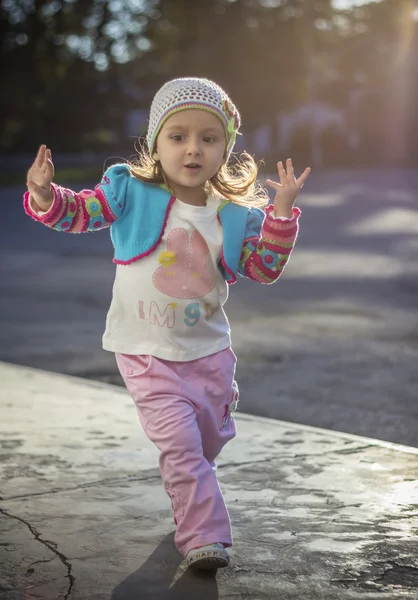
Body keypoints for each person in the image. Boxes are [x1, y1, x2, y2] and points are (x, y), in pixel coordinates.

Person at [24, 77, 310, 571]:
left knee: (206, 443)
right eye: (178, 136)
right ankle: (205, 536)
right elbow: (83, 212)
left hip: (210, 355)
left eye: (208, 137)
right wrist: (48, 196)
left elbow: (263, 268)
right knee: (181, 447)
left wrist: (281, 215)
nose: (193, 148)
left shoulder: (233, 213)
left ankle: (196, 482)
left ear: (226, 148)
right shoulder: (129, 191)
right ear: (156, 142)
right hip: (144, 351)